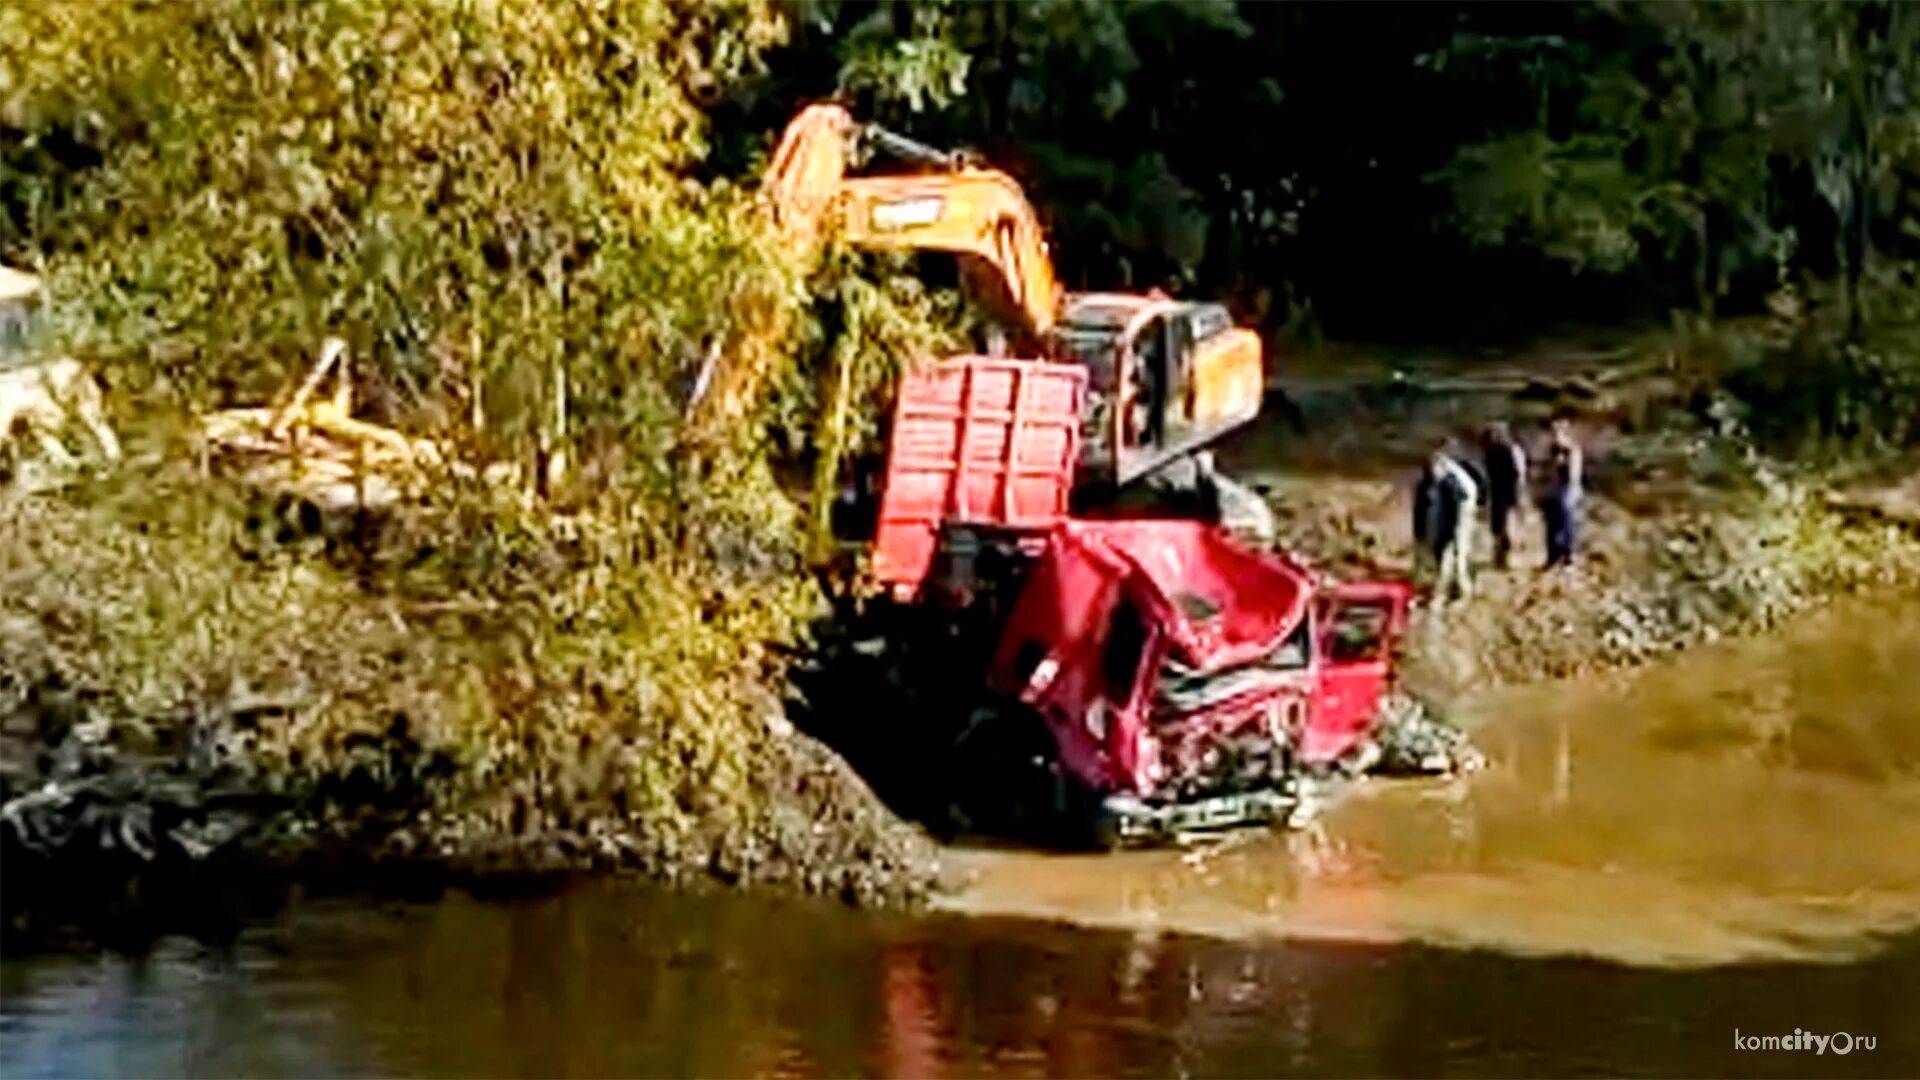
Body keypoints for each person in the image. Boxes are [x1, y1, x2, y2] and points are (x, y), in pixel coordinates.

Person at [1413, 442, 1480, 601]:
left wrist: (1450, 534)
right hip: (1438, 526)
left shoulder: (1451, 486)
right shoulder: (1426, 484)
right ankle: (1446, 587)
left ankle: (1459, 590)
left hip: (1458, 521)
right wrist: (1420, 534)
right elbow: (1419, 510)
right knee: (1441, 558)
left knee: (1457, 556)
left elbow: (1456, 512)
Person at [1480, 421, 1528, 569]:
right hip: (1498, 491)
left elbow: (1519, 475)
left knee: (1508, 525)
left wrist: (1519, 495)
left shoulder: (1511, 450)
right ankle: (1500, 556)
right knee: (1498, 526)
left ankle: (1509, 557)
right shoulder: (1491, 451)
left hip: (1510, 492)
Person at [1539, 415, 1584, 568]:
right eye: (1553, 431)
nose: (1555, 435)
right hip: (1552, 491)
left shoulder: (1572, 450)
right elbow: (1544, 472)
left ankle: (1568, 555)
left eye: (1559, 431)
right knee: (1551, 525)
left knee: (1567, 523)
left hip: (1567, 491)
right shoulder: (1551, 450)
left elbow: (1573, 475)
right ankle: (1552, 556)